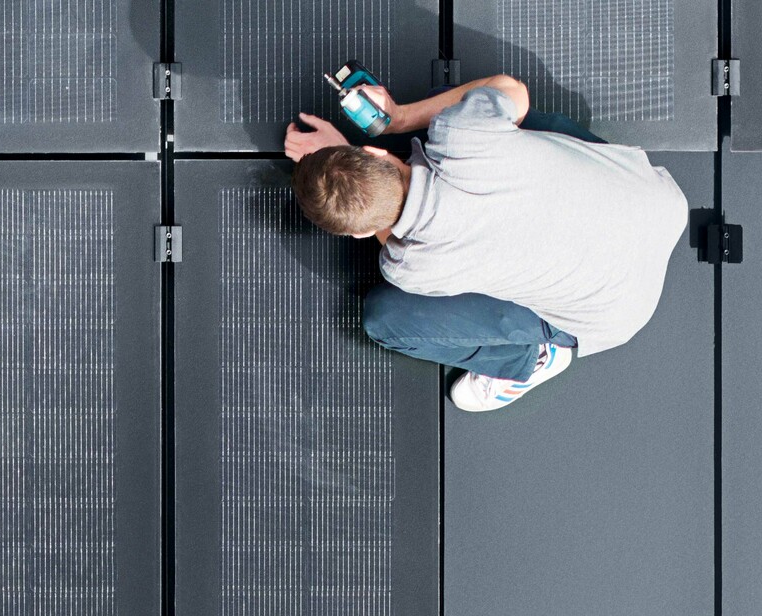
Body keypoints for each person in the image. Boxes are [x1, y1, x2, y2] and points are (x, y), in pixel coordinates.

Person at [282, 73, 691, 413]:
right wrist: (396, 118)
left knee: (385, 319)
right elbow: (513, 90)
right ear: (373, 150)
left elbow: (392, 232)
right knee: (461, 105)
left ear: (357, 232)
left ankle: (530, 360)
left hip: (614, 310)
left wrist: (348, 179)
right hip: (658, 200)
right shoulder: (460, 133)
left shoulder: (409, 267)